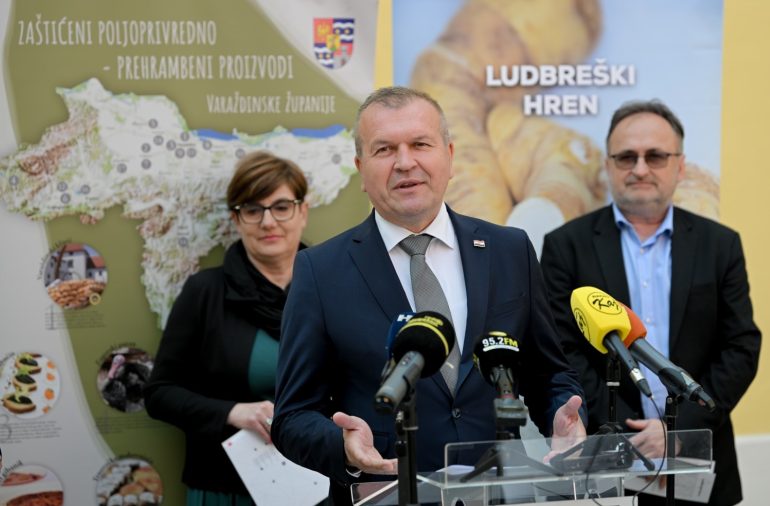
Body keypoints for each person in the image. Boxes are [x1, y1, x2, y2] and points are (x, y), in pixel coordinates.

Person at [272, 86, 587, 505]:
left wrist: (565, 416)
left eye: (420, 144)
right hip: (385, 494)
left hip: (496, 493)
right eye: (384, 149)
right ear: (361, 169)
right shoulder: (320, 271)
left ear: (450, 156)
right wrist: (343, 446)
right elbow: (292, 416)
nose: (405, 163)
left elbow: (549, 374)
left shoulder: (509, 250)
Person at [540, 100, 761, 506]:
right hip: (607, 465)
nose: (640, 169)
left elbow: (741, 348)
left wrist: (680, 429)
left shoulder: (720, 245)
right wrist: (626, 433)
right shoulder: (564, 247)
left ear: (680, 166)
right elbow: (561, 351)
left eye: (655, 156)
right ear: (607, 166)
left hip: (702, 462)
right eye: (626, 157)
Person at [144, 151, 309, 505]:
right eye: (252, 209)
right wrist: (234, 412)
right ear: (236, 219)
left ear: (303, 212)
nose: (268, 222)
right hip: (226, 491)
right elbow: (159, 394)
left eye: (281, 207)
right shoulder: (204, 293)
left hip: (320, 483)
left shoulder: (330, 288)